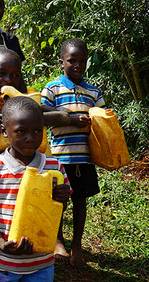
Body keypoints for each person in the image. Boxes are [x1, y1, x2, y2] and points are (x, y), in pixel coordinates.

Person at [0, 96, 71, 281]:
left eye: (37, 131)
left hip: (41, 262)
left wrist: (62, 199)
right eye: (21, 132)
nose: (30, 138)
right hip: (4, 262)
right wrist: (1, 242)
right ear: (4, 131)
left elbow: (56, 211)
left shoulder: (54, 167)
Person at [41, 38, 106, 267]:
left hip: (84, 158)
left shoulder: (93, 91)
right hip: (59, 159)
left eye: (81, 61)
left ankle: (76, 245)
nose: (77, 65)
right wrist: (68, 118)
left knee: (80, 200)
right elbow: (41, 115)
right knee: (58, 201)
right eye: (71, 61)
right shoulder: (52, 88)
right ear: (62, 62)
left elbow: (103, 120)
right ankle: (58, 241)